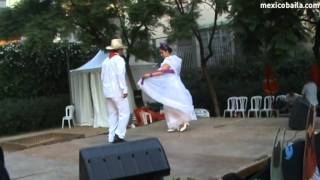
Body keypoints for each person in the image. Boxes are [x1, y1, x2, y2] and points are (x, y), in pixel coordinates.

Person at [138, 43, 197, 132]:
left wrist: (149, 75)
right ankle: (175, 124)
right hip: (173, 83)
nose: (161, 55)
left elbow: (163, 71)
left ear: (166, 51)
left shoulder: (169, 60)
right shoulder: (176, 59)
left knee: (173, 102)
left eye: (162, 52)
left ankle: (184, 121)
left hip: (172, 84)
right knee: (170, 103)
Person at [101, 38, 130, 143]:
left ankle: (111, 137)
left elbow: (102, 77)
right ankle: (119, 135)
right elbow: (120, 75)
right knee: (125, 113)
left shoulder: (105, 61)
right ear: (120, 49)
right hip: (117, 91)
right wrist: (124, 89)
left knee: (112, 114)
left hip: (108, 92)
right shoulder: (119, 60)